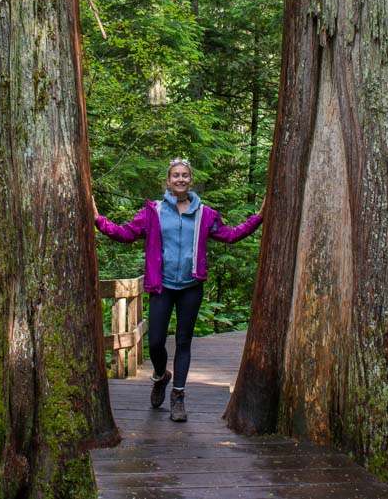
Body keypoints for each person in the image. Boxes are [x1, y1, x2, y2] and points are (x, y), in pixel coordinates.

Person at [92, 158, 264, 422]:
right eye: (176, 175)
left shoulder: (205, 214)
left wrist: (259, 218)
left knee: (184, 342)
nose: (180, 179)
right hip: (162, 286)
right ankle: (161, 376)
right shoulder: (154, 212)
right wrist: (97, 219)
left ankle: (178, 397)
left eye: (185, 175)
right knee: (156, 342)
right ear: (168, 180)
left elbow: (231, 235)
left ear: (191, 180)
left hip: (191, 287)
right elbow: (125, 233)